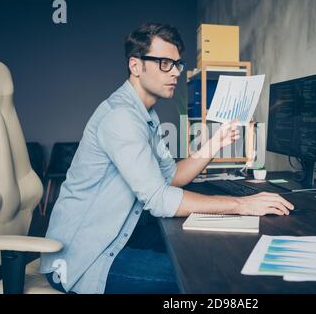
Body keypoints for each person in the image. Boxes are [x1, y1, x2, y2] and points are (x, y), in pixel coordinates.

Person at [40, 23, 294, 294]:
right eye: (164, 63)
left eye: (176, 64)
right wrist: (241, 205)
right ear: (135, 66)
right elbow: (159, 199)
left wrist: (214, 143)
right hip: (85, 258)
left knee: (209, 251)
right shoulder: (121, 117)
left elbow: (171, 176)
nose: (175, 72)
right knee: (206, 281)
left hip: (119, 236)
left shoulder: (146, 116)